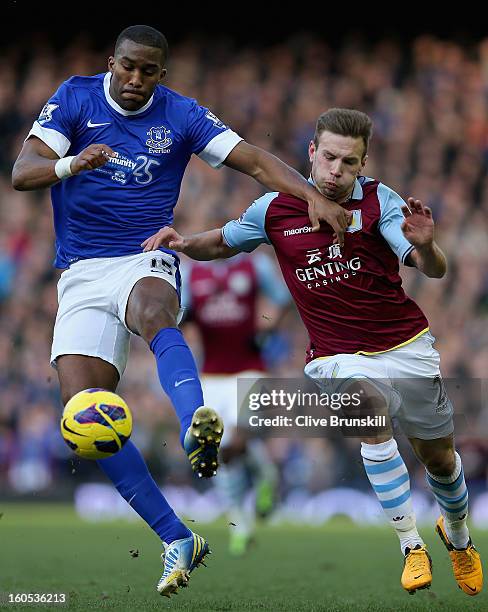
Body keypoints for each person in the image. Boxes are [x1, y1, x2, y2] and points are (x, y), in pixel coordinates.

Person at [10, 25, 349, 598]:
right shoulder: (73, 97)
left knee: (154, 311)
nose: (136, 79)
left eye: (149, 70)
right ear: (111, 63)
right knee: (84, 417)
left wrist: (311, 195)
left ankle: (196, 422)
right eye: (128, 67)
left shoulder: (183, 115)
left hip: (147, 254)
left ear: (162, 74)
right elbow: (24, 171)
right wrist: (73, 165)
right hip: (81, 273)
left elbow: (256, 162)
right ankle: (177, 536)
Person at [143, 108, 484, 596]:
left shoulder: (379, 201)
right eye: (328, 157)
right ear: (311, 153)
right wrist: (181, 243)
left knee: (441, 461)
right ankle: (411, 546)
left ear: (362, 163)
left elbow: (432, 270)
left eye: (348, 162)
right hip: (334, 356)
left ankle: (459, 539)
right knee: (370, 412)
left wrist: (428, 249)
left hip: (405, 345)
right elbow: (222, 242)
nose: (335, 171)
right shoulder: (275, 208)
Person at [180, 246, 290, 555]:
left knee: (238, 439)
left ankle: (265, 480)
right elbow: (180, 312)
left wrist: (268, 326)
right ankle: (240, 522)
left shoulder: (254, 266)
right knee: (218, 449)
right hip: (211, 375)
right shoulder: (193, 274)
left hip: (249, 370)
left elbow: (282, 297)